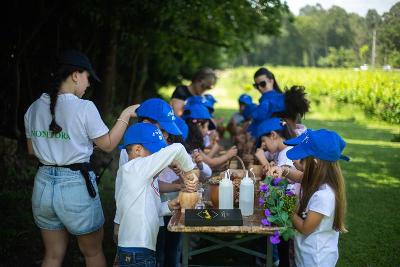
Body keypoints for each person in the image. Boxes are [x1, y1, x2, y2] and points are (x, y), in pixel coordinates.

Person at [24, 50, 138, 267]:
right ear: (75, 75)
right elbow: (108, 144)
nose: (88, 84)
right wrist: (125, 114)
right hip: (75, 185)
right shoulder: (84, 107)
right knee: (92, 253)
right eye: (87, 78)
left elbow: (32, 149)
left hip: (43, 186)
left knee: (52, 256)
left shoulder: (34, 107)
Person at [115, 123, 197, 267]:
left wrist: (168, 206)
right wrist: (190, 172)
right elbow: (178, 148)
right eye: (154, 151)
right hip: (137, 250)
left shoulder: (142, 177)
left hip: (138, 249)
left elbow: (146, 209)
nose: (156, 156)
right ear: (138, 150)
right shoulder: (135, 168)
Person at [285, 129, 349, 267]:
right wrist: (284, 171)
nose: (296, 162)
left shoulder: (324, 196)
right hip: (307, 255)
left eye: (301, 160)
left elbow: (305, 228)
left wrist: (287, 207)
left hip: (316, 260)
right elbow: (301, 177)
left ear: (314, 164)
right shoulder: (319, 180)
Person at [183, 103, 237, 169]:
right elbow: (210, 163)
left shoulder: (191, 139)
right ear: (199, 125)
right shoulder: (190, 143)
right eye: (207, 127)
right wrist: (227, 155)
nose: (208, 131)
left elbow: (206, 160)